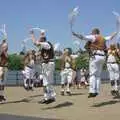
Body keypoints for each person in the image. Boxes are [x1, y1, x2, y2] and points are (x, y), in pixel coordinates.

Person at [72, 28, 106, 98]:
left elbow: (83, 37)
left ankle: (92, 91)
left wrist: (75, 34)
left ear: (94, 32)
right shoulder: (103, 38)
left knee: (92, 74)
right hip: (102, 56)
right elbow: (110, 38)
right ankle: (97, 91)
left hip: (95, 56)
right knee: (98, 76)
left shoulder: (94, 36)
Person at [30, 29, 56, 104]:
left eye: (40, 39)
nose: (39, 41)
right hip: (45, 64)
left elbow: (36, 43)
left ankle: (51, 97)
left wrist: (32, 35)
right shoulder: (43, 46)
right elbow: (37, 45)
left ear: (43, 40)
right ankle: (46, 98)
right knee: (45, 82)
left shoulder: (47, 44)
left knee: (48, 81)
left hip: (49, 63)